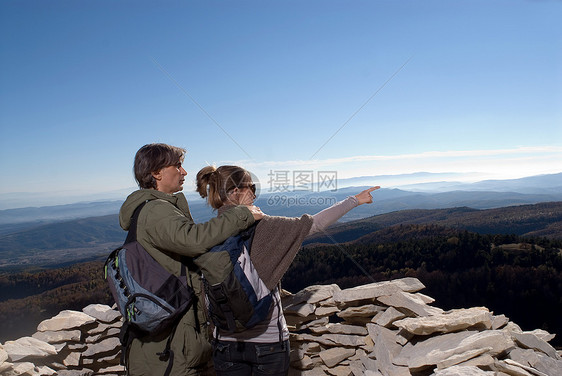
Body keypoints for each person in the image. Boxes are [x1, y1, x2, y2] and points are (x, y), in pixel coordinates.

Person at [195, 165, 379, 376]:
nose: (254, 193)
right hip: (268, 342)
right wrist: (355, 200)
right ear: (235, 192)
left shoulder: (203, 233)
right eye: (251, 187)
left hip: (225, 343)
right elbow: (314, 224)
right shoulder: (265, 226)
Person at [118, 144, 264, 376]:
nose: (184, 172)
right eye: (177, 166)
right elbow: (193, 240)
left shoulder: (155, 208)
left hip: (166, 341)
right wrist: (243, 214)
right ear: (156, 173)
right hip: (169, 349)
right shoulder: (156, 211)